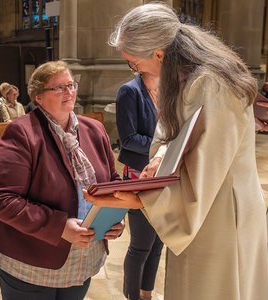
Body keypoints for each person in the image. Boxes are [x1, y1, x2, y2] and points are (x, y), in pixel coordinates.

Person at [83, 3, 268, 300]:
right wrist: (158, 158)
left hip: (220, 211)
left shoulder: (210, 83)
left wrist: (142, 197)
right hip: (213, 205)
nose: (135, 70)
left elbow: (207, 166)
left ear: (159, 54)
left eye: (134, 63)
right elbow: (176, 130)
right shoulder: (191, 77)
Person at [0, 60, 125, 300]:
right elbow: (1, 199)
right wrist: (59, 226)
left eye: (71, 85)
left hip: (82, 256)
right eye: (59, 88)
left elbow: (111, 182)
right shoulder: (22, 132)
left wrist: (113, 220)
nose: (69, 92)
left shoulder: (94, 129)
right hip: (31, 258)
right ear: (38, 97)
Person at [116, 71, 163, 300]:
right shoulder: (130, 91)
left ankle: (147, 296)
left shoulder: (165, 89)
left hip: (164, 178)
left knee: (157, 246)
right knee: (141, 246)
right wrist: (164, 148)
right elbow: (127, 139)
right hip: (138, 177)